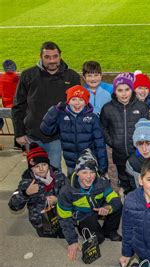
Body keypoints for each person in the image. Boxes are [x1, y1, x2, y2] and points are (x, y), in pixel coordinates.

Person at [12, 41, 81, 170]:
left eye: (55, 56)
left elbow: (77, 107)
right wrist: (19, 133)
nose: (52, 61)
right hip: (32, 135)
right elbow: (18, 106)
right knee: (36, 172)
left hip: (57, 136)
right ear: (40, 57)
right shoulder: (28, 75)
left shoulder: (72, 77)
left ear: (60, 56)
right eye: (47, 57)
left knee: (55, 170)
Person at [57, 149, 123, 261]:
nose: (89, 176)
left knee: (117, 206)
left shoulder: (102, 182)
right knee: (99, 239)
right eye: (84, 172)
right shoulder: (67, 191)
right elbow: (64, 217)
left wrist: (108, 207)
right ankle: (88, 228)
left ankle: (110, 230)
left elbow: (115, 199)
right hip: (83, 215)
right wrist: (72, 241)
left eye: (92, 172)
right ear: (77, 172)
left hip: (98, 208)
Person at [40, 85, 108, 177]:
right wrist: (54, 110)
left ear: (86, 102)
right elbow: (46, 130)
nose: (77, 103)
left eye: (81, 100)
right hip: (71, 163)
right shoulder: (61, 116)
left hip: (89, 162)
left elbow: (100, 144)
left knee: (89, 186)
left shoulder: (93, 118)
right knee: (73, 185)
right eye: (74, 99)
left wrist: (103, 166)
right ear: (68, 101)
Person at [100, 72, 149, 194]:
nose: (124, 93)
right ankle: (127, 198)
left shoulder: (141, 107)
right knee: (124, 179)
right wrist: (112, 142)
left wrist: (141, 144)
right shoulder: (107, 108)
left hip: (137, 153)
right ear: (115, 91)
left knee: (138, 178)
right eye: (120, 90)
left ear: (132, 90)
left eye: (127, 89)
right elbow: (103, 128)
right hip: (119, 153)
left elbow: (147, 128)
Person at [8, 144, 66, 238]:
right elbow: (13, 206)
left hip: (61, 218)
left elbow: (70, 196)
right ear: (31, 168)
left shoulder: (59, 176)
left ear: (48, 164)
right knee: (49, 243)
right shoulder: (27, 182)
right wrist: (26, 193)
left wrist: (57, 199)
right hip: (41, 222)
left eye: (44, 164)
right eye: (36, 166)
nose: (41, 169)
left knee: (65, 239)